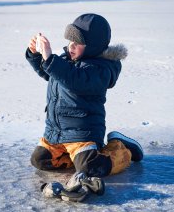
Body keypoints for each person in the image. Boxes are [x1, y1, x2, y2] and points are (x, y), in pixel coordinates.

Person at [25, 13, 144, 202]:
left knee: (91, 168)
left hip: (83, 134)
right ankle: (75, 158)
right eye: (70, 40)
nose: (71, 46)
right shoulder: (66, 61)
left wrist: (50, 59)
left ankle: (123, 149)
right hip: (56, 133)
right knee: (39, 160)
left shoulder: (100, 70)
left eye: (77, 42)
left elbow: (75, 80)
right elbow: (50, 72)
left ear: (93, 46)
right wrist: (36, 54)